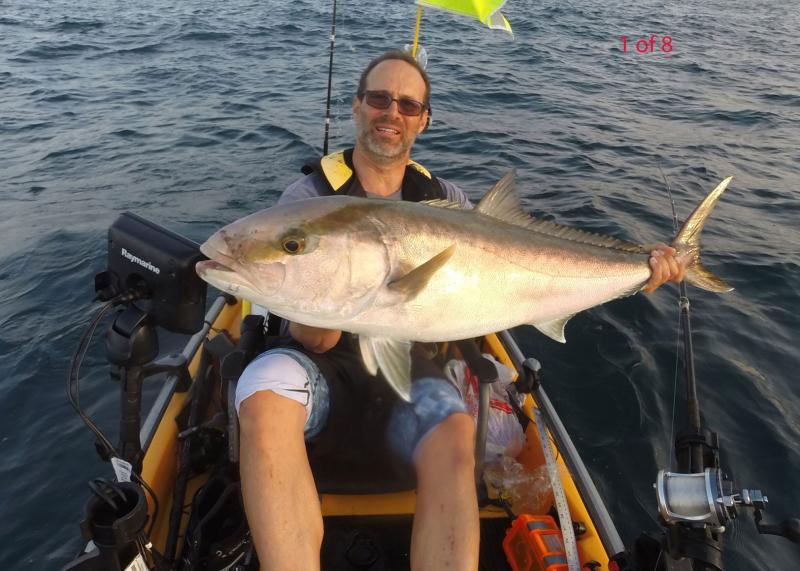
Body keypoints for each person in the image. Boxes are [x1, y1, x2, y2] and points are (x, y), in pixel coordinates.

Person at [235, 50, 686, 571]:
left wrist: (641, 271)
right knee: (263, 391)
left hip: (417, 368)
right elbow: (314, 340)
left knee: (454, 434)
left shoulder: (446, 197)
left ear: (423, 121)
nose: (392, 113)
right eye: (379, 98)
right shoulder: (310, 199)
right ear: (357, 107)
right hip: (326, 367)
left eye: (408, 104)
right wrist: (323, 291)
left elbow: (498, 268)